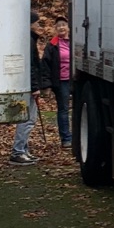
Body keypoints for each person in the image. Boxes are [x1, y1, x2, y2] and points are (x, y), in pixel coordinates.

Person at [9, 11, 44, 165]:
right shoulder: (28, 41)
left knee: (28, 119)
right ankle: (18, 151)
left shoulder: (28, 39)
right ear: (30, 24)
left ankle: (23, 149)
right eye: (36, 22)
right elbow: (30, 66)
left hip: (28, 85)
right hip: (29, 86)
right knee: (28, 120)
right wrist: (35, 87)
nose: (39, 25)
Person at [41, 15, 72, 149]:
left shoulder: (74, 42)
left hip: (74, 79)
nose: (61, 28)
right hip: (61, 81)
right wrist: (46, 85)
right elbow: (45, 65)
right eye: (58, 26)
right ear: (55, 29)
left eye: (63, 25)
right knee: (63, 109)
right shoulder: (52, 45)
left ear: (68, 27)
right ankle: (66, 138)